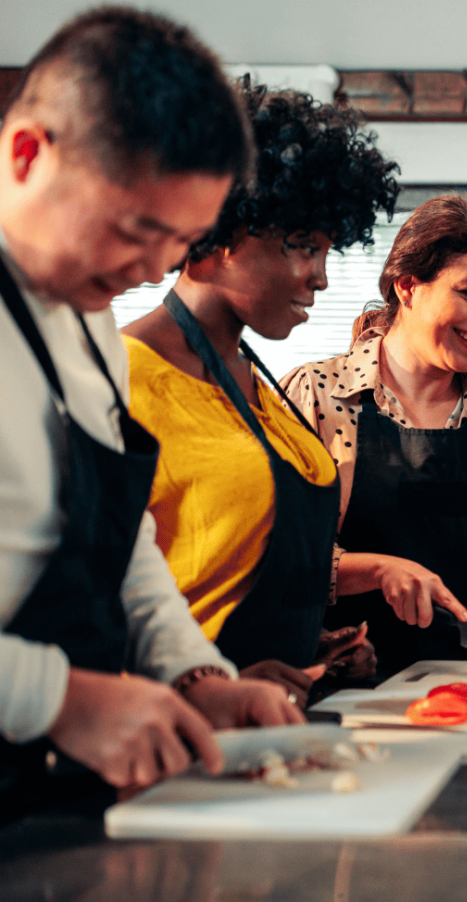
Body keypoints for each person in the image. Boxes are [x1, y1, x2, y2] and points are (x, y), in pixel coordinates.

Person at [0, 8, 302, 817]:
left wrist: (194, 674)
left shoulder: (91, 316)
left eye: (181, 238)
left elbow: (116, 542)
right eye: (136, 228)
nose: (152, 268)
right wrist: (56, 699)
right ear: (27, 153)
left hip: (60, 795)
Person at [122, 83, 399, 705]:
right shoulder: (123, 378)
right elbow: (96, 594)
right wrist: (208, 684)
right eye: (303, 245)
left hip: (270, 725)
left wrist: (309, 648)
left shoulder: (260, 384)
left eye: (327, 250)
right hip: (177, 732)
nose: (321, 278)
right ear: (219, 229)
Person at [282, 195, 467, 679]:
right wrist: (379, 569)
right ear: (408, 286)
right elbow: (281, 557)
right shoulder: (317, 396)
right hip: (345, 687)